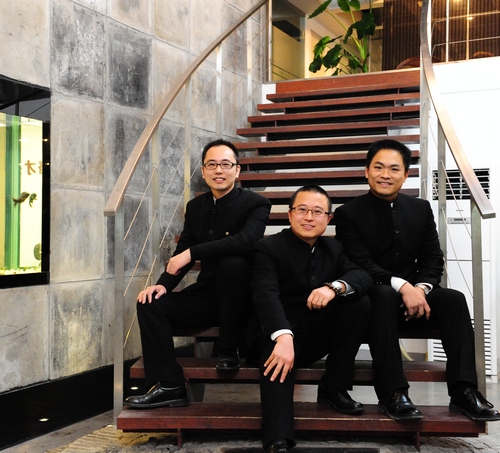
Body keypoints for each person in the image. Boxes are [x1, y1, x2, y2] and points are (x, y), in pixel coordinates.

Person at [334, 138, 500, 422]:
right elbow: (360, 264)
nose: (386, 175)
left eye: (394, 169)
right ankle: (393, 393)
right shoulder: (348, 213)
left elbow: (433, 258)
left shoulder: (421, 209)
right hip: (374, 303)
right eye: (379, 167)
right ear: (367, 171)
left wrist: (420, 289)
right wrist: (403, 287)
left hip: (416, 301)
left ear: (405, 175)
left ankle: (464, 391)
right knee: (384, 294)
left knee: (454, 299)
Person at [124, 138, 271, 409]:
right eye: (211, 165)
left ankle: (229, 350)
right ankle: (170, 385)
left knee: (233, 264)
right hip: (208, 296)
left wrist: (194, 253)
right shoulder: (196, 207)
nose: (218, 170)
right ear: (203, 171)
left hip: (242, 299)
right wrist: (163, 285)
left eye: (225, 164)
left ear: (237, 170)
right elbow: (182, 251)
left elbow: (245, 241)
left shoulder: (256, 203)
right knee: (149, 303)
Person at [248, 185, 372, 453]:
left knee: (359, 302)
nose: (308, 217)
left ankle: (333, 388)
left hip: (313, 335)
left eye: (317, 212)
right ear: (289, 214)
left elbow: (362, 276)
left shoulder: (333, 248)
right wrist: (283, 335)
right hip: (274, 332)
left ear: (328, 219)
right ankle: (277, 439)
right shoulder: (267, 247)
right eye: (302, 210)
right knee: (276, 354)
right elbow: (265, 295)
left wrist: (333, 287)